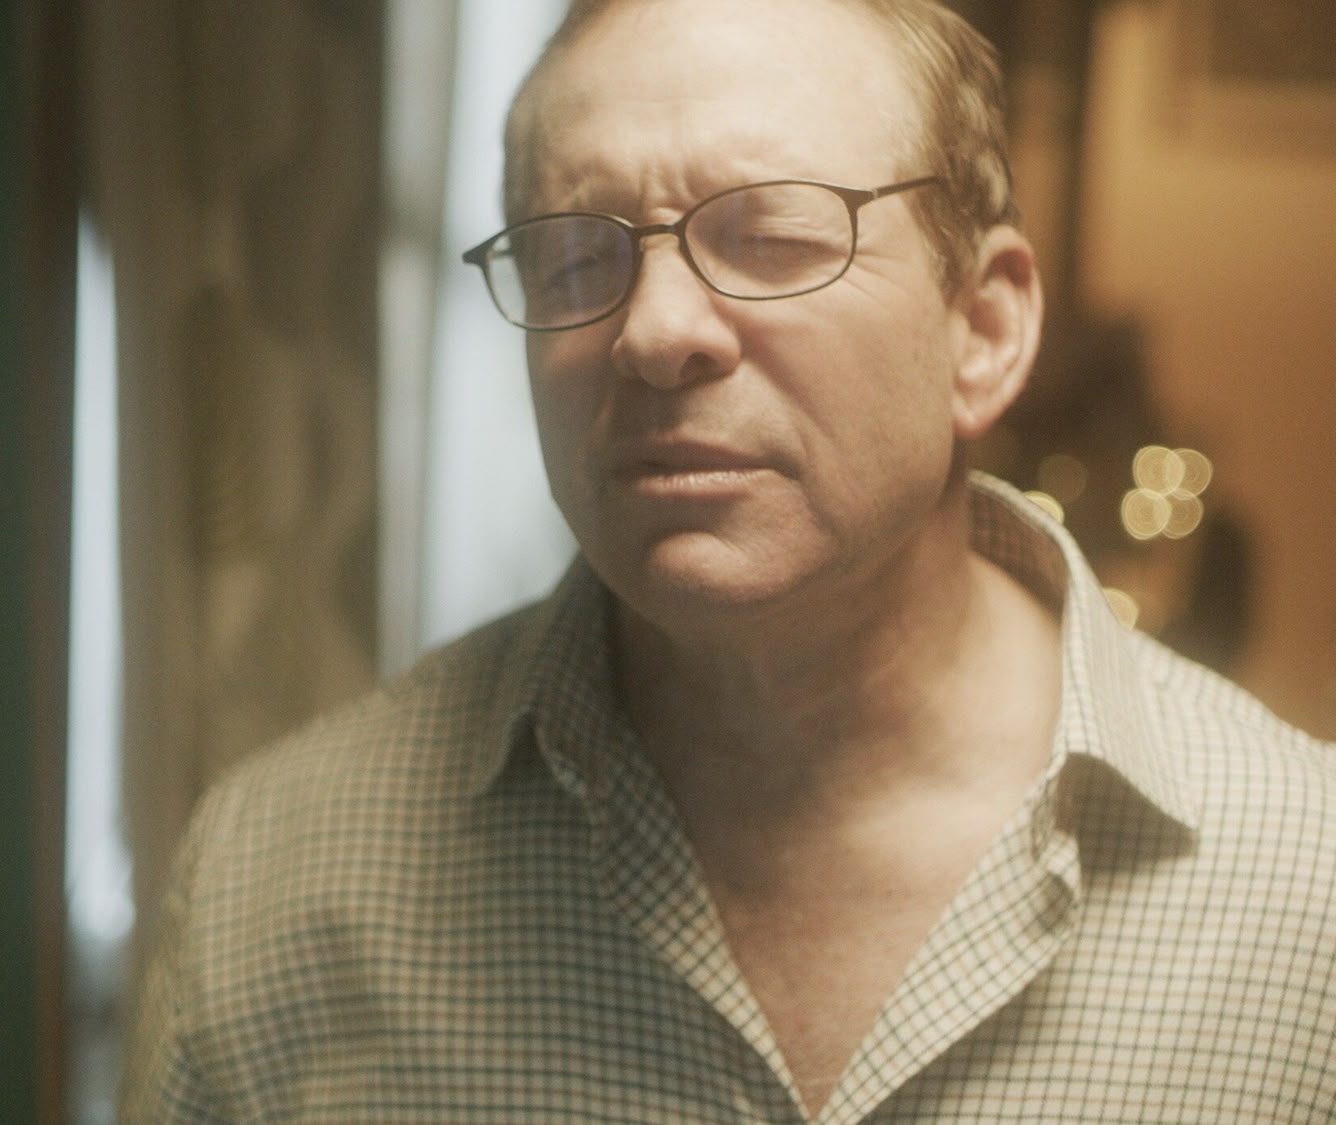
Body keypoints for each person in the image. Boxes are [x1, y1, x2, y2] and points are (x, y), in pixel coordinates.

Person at [120, 0, 1336, 1120]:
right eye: (578, 255)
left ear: (981, 328)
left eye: (769, 236)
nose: (652, 332)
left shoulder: (1304, 896)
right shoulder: (276, 882)